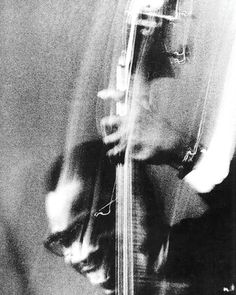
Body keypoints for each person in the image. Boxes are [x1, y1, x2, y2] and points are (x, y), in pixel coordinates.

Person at [45, 0, 236, 294]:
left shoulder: (208, 258)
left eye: (87, 224)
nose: (78, 253)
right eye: (62, 239)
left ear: (134, 199)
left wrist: (177, 149)